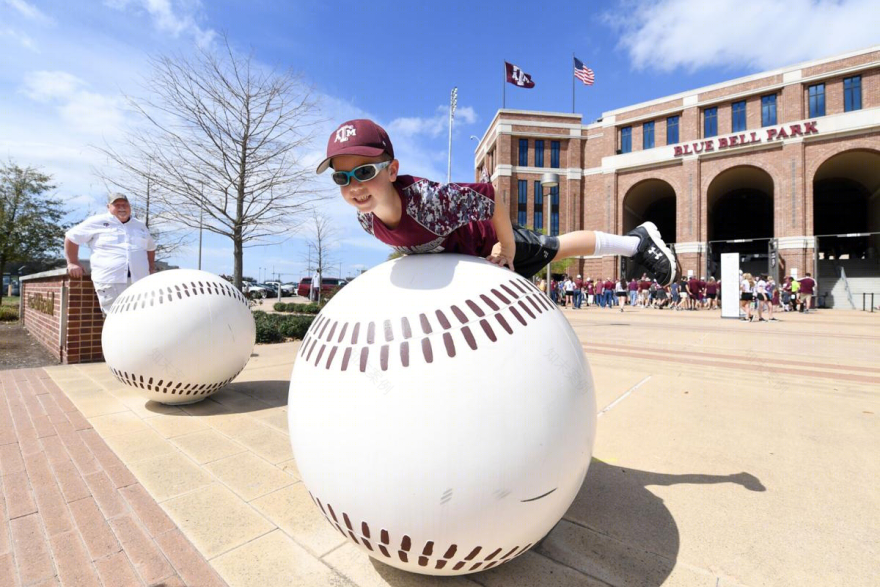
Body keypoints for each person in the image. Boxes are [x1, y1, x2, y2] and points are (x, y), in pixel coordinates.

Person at [317, 119, 679, 285]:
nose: (354, 187)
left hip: (488, 244)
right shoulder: (366, 220)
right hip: (466, 266)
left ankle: (635, 242)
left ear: (392, 169)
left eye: (364, 172)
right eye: (341, 177)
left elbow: (490, 197)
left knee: (555, 247)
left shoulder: (428, 203)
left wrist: (504, 244)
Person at [64, 193, 156, 314]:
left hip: (139, 282)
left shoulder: (140, 226)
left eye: (125, 204)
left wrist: (152, 268)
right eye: (117, 204)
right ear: (108, 207)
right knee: (116, 321)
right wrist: (73, 262)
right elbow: (71, 237)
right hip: (110, 283)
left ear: (130, 207)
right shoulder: (97, 221)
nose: (122, 207)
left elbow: (150, 248)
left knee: (141, 318)